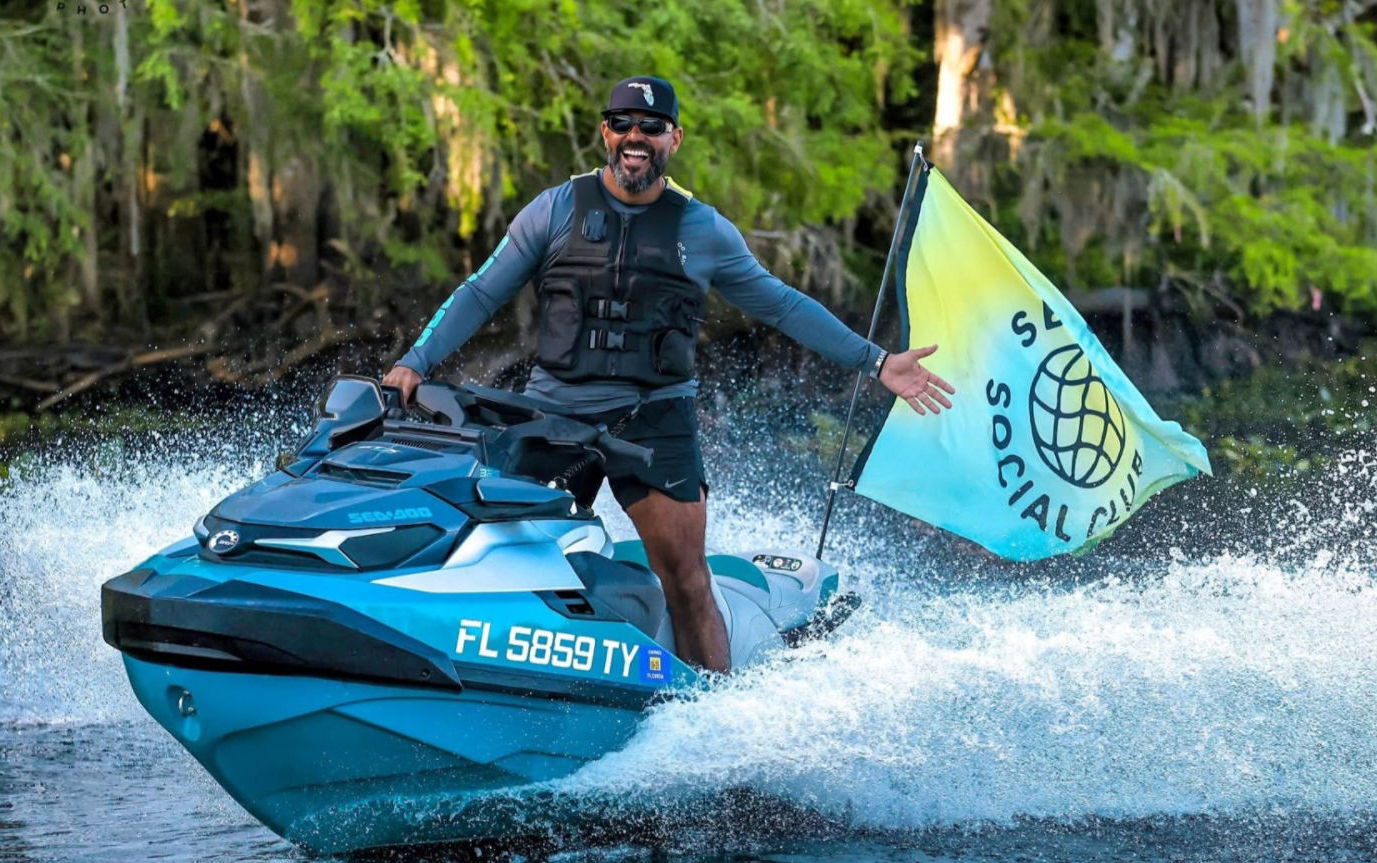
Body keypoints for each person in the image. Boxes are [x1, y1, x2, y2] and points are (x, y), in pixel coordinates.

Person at [383, 76, 954, 673]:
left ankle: (714, 718)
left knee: (685, 577)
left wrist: (879, 361)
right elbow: (479, 294)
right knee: (500, 556)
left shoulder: (702, 230)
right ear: (605, 132)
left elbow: (781, 305)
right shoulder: (553, 210)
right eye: (623, 123)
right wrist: (412, 364)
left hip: (653, 424)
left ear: (673, 140)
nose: (636, 137)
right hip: (552, 416)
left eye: (651, 127)